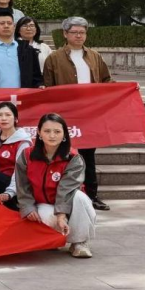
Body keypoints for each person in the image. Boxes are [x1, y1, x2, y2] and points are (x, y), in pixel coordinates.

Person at [43, 16, 113, 212]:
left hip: (89, 113)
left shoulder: (95, 56)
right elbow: (47, 87)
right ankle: (62, 196)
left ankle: (92, 196)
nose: (79, 36)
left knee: (88, 155)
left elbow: (107, 81)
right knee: (63, 154)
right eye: (74, 32)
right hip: (65, 115)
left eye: (82, 32)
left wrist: (129, 88)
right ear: (65, 34)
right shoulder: (54, 58)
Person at [15, 113, 97, 258]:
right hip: (44, 205)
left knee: (80, 197)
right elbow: (22, 185)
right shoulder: (27, 155)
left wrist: (61, 214)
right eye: (47, 131)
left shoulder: (73, 158)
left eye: (57, 131)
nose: (52, 135)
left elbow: (66, 189)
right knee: (43, 217)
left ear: (64, 134)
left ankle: (80, 242)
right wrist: (27, 206)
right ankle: (55, 238)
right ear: (39, 133)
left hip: (71, 206)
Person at [0, 102, 33, 211]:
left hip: (16, 185)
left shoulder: (23, 142)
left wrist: (10, 192)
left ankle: (15, 207)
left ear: (16, 119)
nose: (4, 118)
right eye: (0, 115)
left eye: (8, 115)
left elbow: (20, 172)